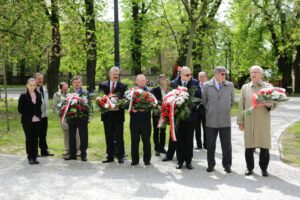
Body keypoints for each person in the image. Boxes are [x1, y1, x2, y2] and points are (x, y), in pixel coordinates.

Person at [237, 65, 276, 177]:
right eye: (252, 72)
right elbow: (241, 106)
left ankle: (264, 169)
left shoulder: (268, 87)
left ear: (261, 74)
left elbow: (274, 103)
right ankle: (249, 168)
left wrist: (269, 104)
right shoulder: (245, 88)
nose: (253, 74)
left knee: (264, 145)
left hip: (263, 121)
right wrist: (240, 121)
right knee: (249, 145)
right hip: (249, 121)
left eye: (256, 72)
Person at [202, 66, 234, 173]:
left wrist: (224, 108)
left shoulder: (230, 85)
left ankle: (227, 165)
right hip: (211, 120)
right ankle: (211, 164)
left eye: (225, 74)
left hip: (225, 120)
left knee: (226, 145)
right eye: (223, 74)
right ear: (216, 74)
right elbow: (204, 102)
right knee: (210, 145)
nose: (225, 76)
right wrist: (212, 110)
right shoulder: (207, 85)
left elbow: (232, 101)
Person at [170, 66, 201, 170]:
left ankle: (188, 161)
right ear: (181, 75)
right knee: (179, 140)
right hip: (178, 116)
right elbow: (169, 98)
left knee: (189, 139)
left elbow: (199, 97)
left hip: (191, 116)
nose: (190, 76)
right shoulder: (174, 83)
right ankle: (179, 160)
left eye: (191, 74)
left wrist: (188, 106)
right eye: (187, 75)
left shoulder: (195, 83)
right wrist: (178, 107)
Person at [99, 67, 127, 164]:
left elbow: (125, 100)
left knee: (119, 136)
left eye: (117, 74)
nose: (115, 76)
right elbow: (99, 99)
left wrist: (119, 106)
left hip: (118, 115)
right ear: (109, 74)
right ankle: (110, 156)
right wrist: (105, 106)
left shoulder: (123, 86)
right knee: (108, 136)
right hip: (107, 116)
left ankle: (120, 156)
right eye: (114, 74)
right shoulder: (102, 85)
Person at [64, 76, 90, 162]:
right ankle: (72, 154)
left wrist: (82, 105)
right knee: (71, 136)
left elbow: (89, 106)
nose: (77, 84)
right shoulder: (69, 93)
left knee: (83, 136)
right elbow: (65, 105)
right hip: (72, 117)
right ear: (72, 84)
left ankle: (83, 154)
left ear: (81, 83)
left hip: (82, 118)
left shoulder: (85, 93)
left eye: (78, 82)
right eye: (75, 83)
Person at [18, 78, 42, 164]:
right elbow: (20, 109)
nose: (32, 87)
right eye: (30, 85)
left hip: (37, 121)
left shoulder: (39, 94)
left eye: (34, 85)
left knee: (35, 139)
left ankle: (35, 157)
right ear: (27, 85)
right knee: (29, 139)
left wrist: (39, 116)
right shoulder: (23, 96)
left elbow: (39, 107)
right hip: (27, 121)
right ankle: (30, 157)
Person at [53, 82, 80, 157]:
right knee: (65, 132)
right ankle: (67, 149)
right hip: (63, 116)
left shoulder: (72, 93)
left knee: (76, 132)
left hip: (72, 115)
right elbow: (55, 107)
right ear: (61, 88)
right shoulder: (56, 95)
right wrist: (60, 114)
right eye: (64, 89)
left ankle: (78, 149)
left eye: (67, 88)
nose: (66, 90)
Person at [130, 74, 152, 166]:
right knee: (134, 141)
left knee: (146, 141)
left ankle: (147, 160)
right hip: (134, 120)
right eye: (140, 80)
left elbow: (153, 104)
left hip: (146, 120)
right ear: (136, 81)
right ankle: (135, 160)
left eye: (144, 80)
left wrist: (146, 108)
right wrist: (132, 108)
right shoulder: (131, 91)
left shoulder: (150, 91)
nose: (142, 82)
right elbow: (127, 104)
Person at [34, 72, 54, 156]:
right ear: (35, 79)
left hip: (45, 115)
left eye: (42, 78)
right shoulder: (33, 89)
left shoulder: (44, 88)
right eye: (39, 79)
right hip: (36, 115)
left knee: (43, 134)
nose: (41, 80)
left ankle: (44, 151)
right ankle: (34, 152)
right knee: (35, 134)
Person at [150, 74, 168, 156]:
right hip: (157, 113)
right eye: (162, 78)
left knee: (163, 131)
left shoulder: (168, 90)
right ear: (159, 80)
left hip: (165, 113)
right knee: (156, 131)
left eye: (165, 78)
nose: (163, 80)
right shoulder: (154, 90)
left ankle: (162, 147)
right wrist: (157, 106)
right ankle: (157, 149)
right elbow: (152, 100)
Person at [194, 71, 208, 150]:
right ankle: (198, 144)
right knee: (197, 128)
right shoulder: (195, 87)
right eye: (200, 76)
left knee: (206, 127)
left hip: (206, 110)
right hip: (197, 110)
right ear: (198, 78)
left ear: (206, 77)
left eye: (203, 76)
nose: (202, 78)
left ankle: (206, 144)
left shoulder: (209, 87)